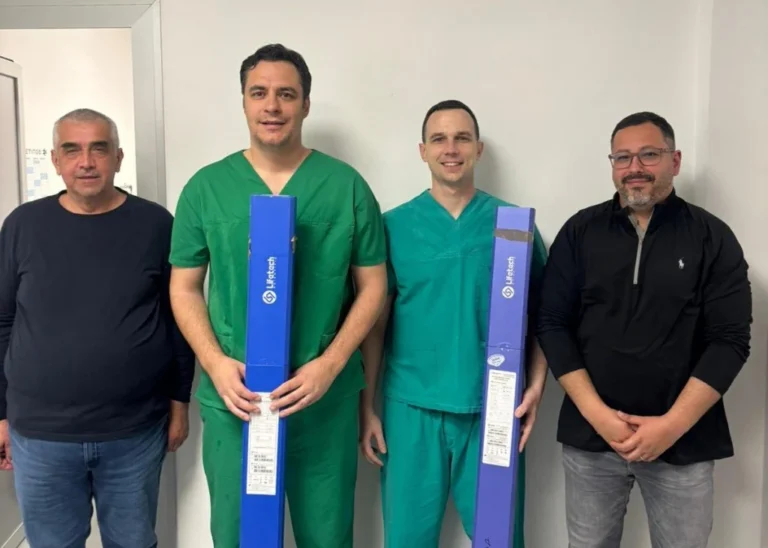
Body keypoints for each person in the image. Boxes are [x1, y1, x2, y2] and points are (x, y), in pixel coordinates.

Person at [168, 43, 388, 548]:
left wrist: (330, 364)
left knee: (327, 536)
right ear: (243, 102)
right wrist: (216, 364)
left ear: (305, 104)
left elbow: (374, 286)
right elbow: (184, 287)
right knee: (238, 535)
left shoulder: (347, 187)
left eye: (286, 94)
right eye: (259, 93)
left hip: (323, 400)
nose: (272, 106)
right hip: (237, 400)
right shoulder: (206, 188)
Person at [537, 111, 752, 548]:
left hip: (684, 443)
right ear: (612, 165)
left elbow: (730, 341)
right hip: (592, 439)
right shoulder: (580, 232)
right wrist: (600, 417)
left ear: (675, 160)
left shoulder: (712, 237)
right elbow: (552, 324)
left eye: (648, 155)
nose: (634, 167)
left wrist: (671, 426)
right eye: (622, 157)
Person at [358, 99, 549, 548]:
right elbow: (375, 326)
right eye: (439, 139)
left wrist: (537, 385)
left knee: (499, 540)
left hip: (493, 408)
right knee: (406, 540)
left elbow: (544, 316)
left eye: (462, 138)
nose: (451, 148)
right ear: (422, 151)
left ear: (478, 149)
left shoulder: (514, 226)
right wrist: (367, 406)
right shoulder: (393, 227)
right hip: (410, 408)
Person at [0, 108, 194, 548]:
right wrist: (1, 414)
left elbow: (179, 318)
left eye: (99, 149)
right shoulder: (22, 225)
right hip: (40, 434)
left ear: (118, 157)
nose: (86, 162)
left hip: (135, 431)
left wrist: (180, 401)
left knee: (133, 542)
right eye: (72, 150)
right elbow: (2, 320)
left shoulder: (156, 224)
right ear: (55, 160)